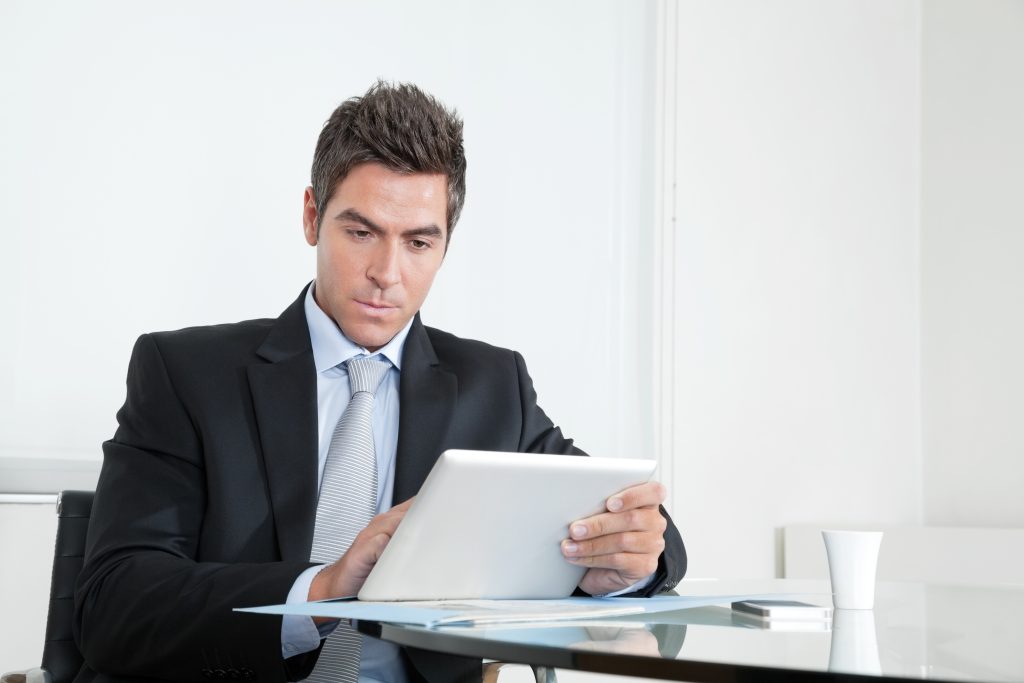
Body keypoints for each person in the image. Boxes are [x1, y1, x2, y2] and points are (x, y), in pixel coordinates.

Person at [74, 81, 686, 683]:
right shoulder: (185, 374)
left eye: (418, 242)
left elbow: (637, 528)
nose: (386, 274)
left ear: (445, 245)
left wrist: (626, 562)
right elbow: (114, 604)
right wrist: (323, 587)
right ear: (313, 216)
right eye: (361, 232)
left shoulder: (492, 386)